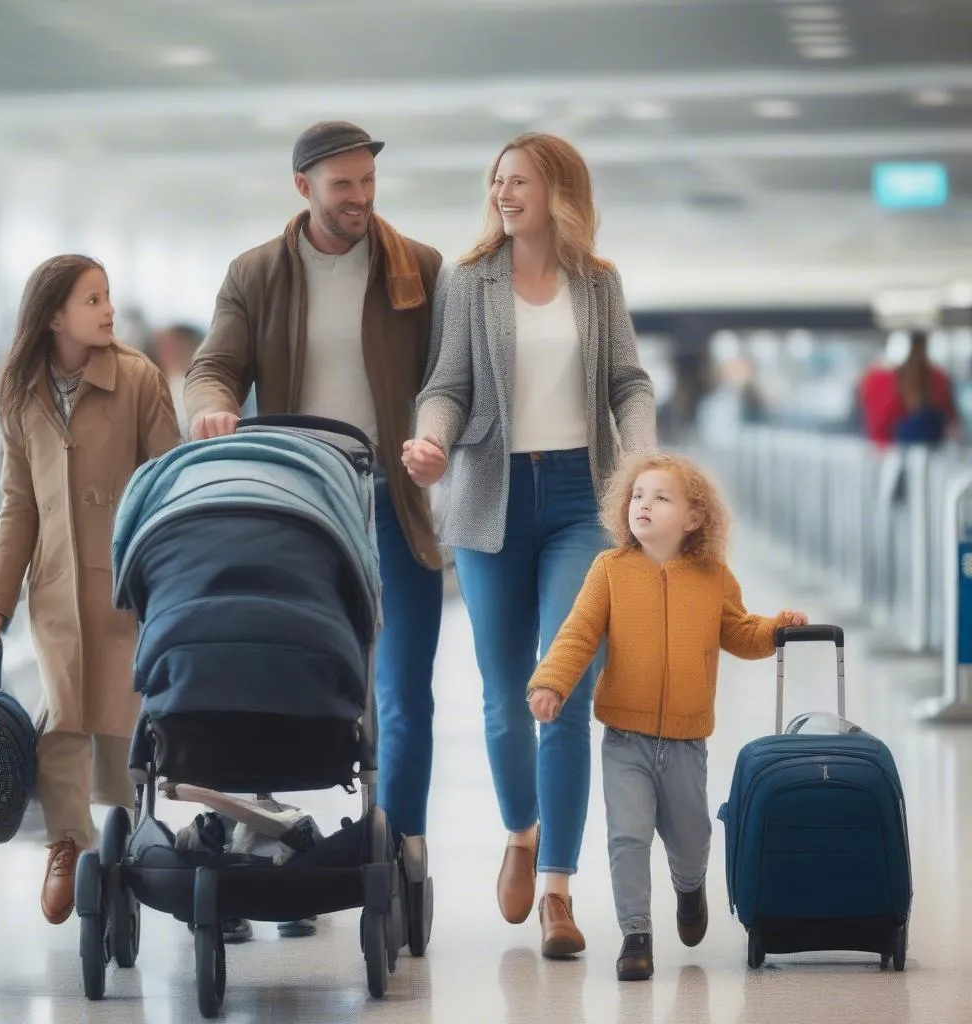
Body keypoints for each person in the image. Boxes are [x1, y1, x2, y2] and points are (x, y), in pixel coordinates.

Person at [182, 121, 444, 949]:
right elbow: (213, 364)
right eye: (343, 186)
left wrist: (439, 432)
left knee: (401, 692)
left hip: (390, 502)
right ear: (304, 187)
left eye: (369, 183)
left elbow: (450, 376)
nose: (361, 199)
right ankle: (274, 838)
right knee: (280, 670)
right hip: (299, 510)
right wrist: (213, 406)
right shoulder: (257, 273)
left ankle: (400, 844)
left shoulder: (420, 269)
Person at [403, 132, 656, 958]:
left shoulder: (597, 283)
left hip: (582, 501)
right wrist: (431, 441)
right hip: (489, 501)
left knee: (564, 687)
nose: (505, 192)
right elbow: (446, 383)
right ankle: (521, 827)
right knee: (505, 695)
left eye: (520, 180)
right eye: (498, 180)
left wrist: (645, 455)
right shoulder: (468, 281)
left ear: (559, 192)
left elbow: (627, 381)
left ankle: (556, 887)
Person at [525, 452, 808, 980]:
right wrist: (551, 682)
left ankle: (689, 886)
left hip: (685, 742)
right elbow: (578, 633)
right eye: (637, 496)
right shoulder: (608, 571)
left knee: (692, 835)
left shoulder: (712, 577)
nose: (644, 505)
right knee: (627, 837)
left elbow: (739, 631)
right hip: (624, 739)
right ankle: (636, 935)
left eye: (661, 497)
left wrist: (775, 629)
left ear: (694, 518)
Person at [0, 254, 181, 925]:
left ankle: (120, 841)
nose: (109, 310)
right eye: (93, 300)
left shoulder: (139, 379)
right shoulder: (19, 392)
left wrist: (167, 580)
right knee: (60, 721)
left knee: (121, 721)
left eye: (109, 296)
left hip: (126, 585)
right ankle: (67, 845)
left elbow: (168, 484)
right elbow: (16, 507)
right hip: (55, 589)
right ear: (54, 314)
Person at [858, 329, 960, 447]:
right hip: (891, 448)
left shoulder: (938, 379)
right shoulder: (878, 379)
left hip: (915, 448)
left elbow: (952, 423)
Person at [148, 323, 203, 437]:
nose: (165, 350)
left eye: (172, 345)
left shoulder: (194, 387)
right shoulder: (152, 387)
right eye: (161, 345)